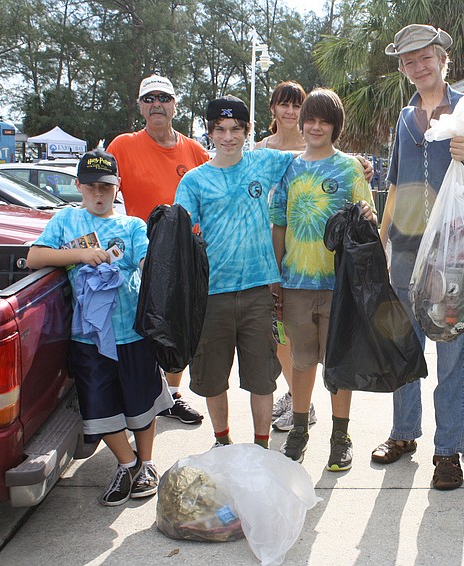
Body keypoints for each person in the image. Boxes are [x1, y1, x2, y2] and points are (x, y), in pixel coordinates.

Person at [372, 24, 464, 491]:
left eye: (426, 57)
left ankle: (448, 451)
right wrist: (380, 244)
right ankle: (404, 433)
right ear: (403, 69)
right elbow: (393, 184)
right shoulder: (405, 119)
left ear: (443, 59)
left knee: (452, 351)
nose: (418, 66)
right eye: (409, 61)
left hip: (455, 251)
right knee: (405, 347)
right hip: (406, 249)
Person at [26, 150, 174, 506]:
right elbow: (35, 256)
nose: (98, 194)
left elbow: (147, 260)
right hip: (88, 339)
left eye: (106, 187)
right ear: (77, 186)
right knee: (100, 406)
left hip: (132, 334)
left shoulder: (132, 226)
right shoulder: (65, 221)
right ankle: (127, 463)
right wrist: (80, 255)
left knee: (142, 403)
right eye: (91, 186)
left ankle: (148, 462)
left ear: (117, 187)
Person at [174, 96, 294, 450]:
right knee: (213, 379)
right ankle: (222, 441)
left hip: (258, 291)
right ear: (210, 132)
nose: (228, 137)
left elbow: (314, 159)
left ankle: (261, 447)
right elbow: (177, 237)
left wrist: (358, 164)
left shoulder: (263, 162)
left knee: (262, 379)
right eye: (220, 130)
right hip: (211, 295)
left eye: (236, 130)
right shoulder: (195, 181)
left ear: (247, 131)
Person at [256, 81, 374, 433]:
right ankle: (300, 428)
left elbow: (367, 221)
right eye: (311, 120)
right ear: (302, 123)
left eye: (325, 121)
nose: (316, 127)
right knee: (301, 361)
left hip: (339, 285)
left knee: (338, 364)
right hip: (295, 284)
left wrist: (367, 216)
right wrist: (275, 277)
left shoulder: (350, 168)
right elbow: (279, 224)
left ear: (336, 127)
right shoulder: (288, 169)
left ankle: (341, 435)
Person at [106, 74, 209, 426]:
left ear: (175, 105)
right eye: (149, 99)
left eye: (164, 98)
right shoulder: (122, 146)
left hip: (185, 256)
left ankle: (172, 395)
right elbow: (100, 189)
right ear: (140, 107)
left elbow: (224, 182)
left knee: (179, 325)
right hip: (143, 258)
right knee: (147, 328)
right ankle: (150, 393)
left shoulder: (194, 151)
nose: (156, 105)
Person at [254, 81, 317, 433]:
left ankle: (300, 401)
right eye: (284, 105)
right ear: (273, 109)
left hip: (307, 252)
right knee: (276, 331)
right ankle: (296, 396)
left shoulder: (314, 147)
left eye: (297, 105)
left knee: (301, 331)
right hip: (267, 250)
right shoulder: (259, 150)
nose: (290, 112)